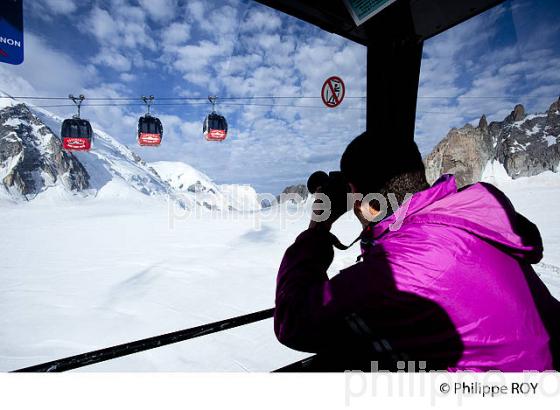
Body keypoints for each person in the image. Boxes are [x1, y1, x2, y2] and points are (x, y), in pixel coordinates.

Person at [274, 131, 559, 372]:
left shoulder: (401, 266)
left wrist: (318, 226)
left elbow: (294, 321)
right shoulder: (470, 216)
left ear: (369, 203)